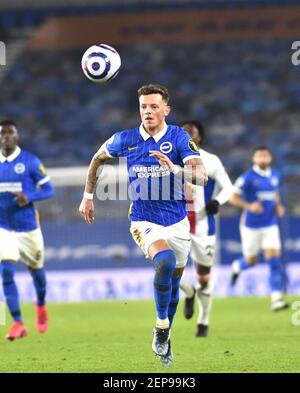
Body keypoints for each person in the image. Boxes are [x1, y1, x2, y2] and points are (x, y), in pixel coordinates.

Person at [79, 84, 207, 367]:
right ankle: (162, 327)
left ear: (166, 110)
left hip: (177, 222)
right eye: (143, 107)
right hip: (143, 219)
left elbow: (202, 176)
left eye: (153, 106)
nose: (147, 111)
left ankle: (164, 332)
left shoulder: (178, 137)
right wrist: (88, 197)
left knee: (174, 283)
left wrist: (174, 169)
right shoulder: (125, 139)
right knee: (165, 261)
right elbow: (97, 159)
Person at [0, 119, 54, 340]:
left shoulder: (30, 162)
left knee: (37, 273)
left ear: (17, 136)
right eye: (3, 134)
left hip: (28, 228)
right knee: (6, 272)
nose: (6, 137)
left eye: (10, 133)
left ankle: (40, 306)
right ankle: (18, 323)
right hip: (4, 228)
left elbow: (49, 190)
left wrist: (29, 196)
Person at [179, 120, 233, 337]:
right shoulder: (170, 158)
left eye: (192, 132)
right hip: (175, 223)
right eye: (183, 132)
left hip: (203, 226)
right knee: (166, 267)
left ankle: (203, 321)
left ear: (200, 137)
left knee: (203, 275)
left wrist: (217, 201)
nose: (188, 135)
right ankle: (188, 291)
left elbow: (228, 187)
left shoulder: (210, 160)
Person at [229, 146, 288, 311]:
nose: (263, 159)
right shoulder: (247, 178)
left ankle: (276, 298)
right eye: (260, 156)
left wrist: (278, 206)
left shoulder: (275, 175)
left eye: (265, 156)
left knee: (274, 261)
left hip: (270, 225)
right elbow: (232, 197)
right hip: (251, 226)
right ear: (254, 159)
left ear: (270, 158)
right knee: (251, 261)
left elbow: (274, 193)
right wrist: (249, 206)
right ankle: (236, 266)